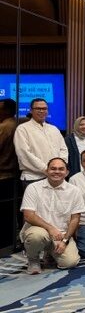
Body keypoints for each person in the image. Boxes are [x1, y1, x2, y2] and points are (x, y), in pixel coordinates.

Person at [20, 158, 84, 274]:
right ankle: (33, 260)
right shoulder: (33, 188)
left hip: (61, 235)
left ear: (67, 172)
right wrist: (50, 228)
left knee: (70, 262)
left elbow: (75, 219)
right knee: (36, 236)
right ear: (46, 171)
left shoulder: (75, 191)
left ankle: (50, 253)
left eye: (61, 169)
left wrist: (65, 241)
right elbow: (28, 216)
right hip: (39, 231)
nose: (57, 171)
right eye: (53, 168)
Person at [14, 98, 68, 187]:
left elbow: (63, 149)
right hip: (33, 178)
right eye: (38, 108)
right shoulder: (22, 129)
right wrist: (46, 169)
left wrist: (60, 167)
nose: (41, 111)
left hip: (56, 176)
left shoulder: (54, 129)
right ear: (31, 110)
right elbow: (24, 154)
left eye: (44, 108)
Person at [0, 99, 18, 237]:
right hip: (13, 174)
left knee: (4, 211)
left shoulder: (4, 127)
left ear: (6, 111)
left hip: (3, 174)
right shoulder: (18, 124)